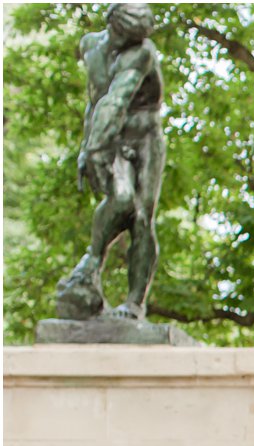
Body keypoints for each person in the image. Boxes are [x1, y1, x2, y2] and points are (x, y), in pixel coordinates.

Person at [56, 3, 167, 321]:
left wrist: (94, 148)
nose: (130, 44)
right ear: (112, 26)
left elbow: (117, 99)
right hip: (111, 134)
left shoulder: (142, 53)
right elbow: (96, 101)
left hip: (145, 136)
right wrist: (87, 149)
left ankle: (134, 303)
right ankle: (91, 261)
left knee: (142, 215)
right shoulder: (90, 45)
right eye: (125, 36)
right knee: (119, 199)